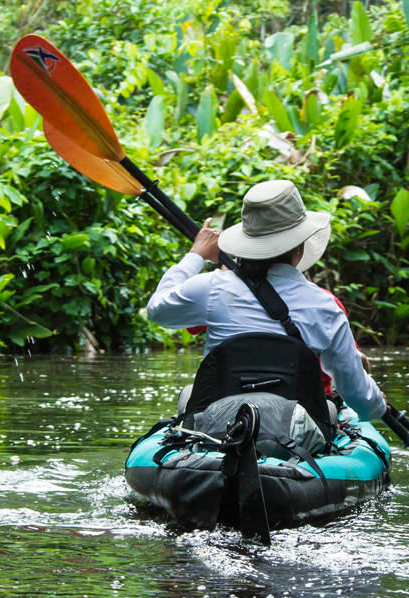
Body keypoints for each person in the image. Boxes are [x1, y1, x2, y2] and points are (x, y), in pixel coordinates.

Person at [145, 178, 386, 423]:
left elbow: (157, 310)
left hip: (221, 428)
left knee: (188, 395)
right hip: (296, 434)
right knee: (332, 409)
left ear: (247, 242)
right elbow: (361, 401)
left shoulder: (212, 288)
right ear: (299, 247)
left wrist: (196, 255)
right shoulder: (324, 306)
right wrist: (377, 404)